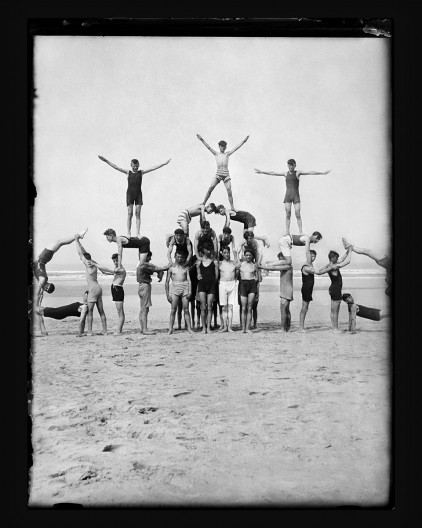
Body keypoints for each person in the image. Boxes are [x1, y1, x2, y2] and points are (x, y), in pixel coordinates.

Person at [98, 155, 171, 238]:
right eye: (134, 166)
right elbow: (116, 167)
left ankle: (138, 233)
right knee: (130, 213)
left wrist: (164, 163)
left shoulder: (141, 172)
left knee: (138, 213)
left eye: (137, 166)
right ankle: (128, 233)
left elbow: (153, 168)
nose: (135, 168)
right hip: (130, 194)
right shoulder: (128, 172)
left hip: (138, 195)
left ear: (139, 165)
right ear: (131, 165)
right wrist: (106, 160)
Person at [33, 228, 88, 335]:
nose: (45, 288)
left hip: (39, 260)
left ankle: (42, 330)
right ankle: (77, 236)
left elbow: (37, 294)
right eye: (46, 288)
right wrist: (36, 302)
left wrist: (37, 303)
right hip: (42, 259)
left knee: (38, 311)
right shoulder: (43, 280)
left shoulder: (43, 281)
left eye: (45, 289)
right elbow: (37, 293)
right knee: (59, 242)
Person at [254, 159, 330, 234]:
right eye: (289, 165)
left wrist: (323, 173)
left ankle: (300, 231)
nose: (290, 167)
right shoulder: (285, 174)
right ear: (287, 165)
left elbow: (310, 172)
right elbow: (273, 173)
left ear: (295, 165)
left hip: (296, 196)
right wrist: (261, 172)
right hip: (288, 196)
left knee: (298, 213)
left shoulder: (297, 173)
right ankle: (287, 231)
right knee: (288, 213)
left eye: (292, 165)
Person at [197, 133, 249, 210]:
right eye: (221, 147)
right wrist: (201, 139)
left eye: (224, 147)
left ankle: (232, 207)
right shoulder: (216, 154)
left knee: (229, 191)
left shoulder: (227, 154)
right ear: (219, 147)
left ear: (225, 147)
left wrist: (244, 141)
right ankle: (204, 202)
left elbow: (236, 148)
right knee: (210, 188)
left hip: (226, 175)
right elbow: (208, 147)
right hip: (218, 174)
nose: (223, 148)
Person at [74, 234, 107, 336]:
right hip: (99, 289)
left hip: (92, 289)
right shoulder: (94, 263)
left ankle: (89, 331)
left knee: (90, 312)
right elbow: (83, 252)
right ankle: (105, 331)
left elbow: (80, 253)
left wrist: (76, 241)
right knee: (101, 311)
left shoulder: (87, 263)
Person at [314, 247, 353, 331]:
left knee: (333, 310)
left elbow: (342, 259)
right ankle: (335, 329)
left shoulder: (329, 265)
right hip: (336, 290)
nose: (338, 259)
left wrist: (349, 250)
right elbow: (347, 261)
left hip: (333, 289)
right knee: (336, 311)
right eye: (336, 258)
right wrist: (350, 251)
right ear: (332, 258)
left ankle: (333, 327)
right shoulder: (333, 267)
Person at [136, 251, 170, 335]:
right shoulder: (143, 265)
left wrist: (160, 273)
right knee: (145, 309)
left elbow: (156, 268)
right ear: (146, 257)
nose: (150, 259)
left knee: (142, 308)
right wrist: (167, 267)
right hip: (145, 286)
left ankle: (142, 328)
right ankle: (144, 329)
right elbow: (156, 269)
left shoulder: (140, 264)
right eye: (149, 257)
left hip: (141, 286)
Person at [259, 252, 294, 332]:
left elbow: (274, 268)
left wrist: (261, 266)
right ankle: (287, 327)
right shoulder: (287, 266)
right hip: (287, 290)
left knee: (283, 310)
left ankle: (283, 329)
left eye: (282, 259)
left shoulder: (287, 266)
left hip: (286, 291)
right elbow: (274, 266)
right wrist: (268, 263)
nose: (280, 261)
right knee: (286, 309)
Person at [94, 254, 127, 335]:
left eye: (116, 261)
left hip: (118, 290)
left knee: (120, 312)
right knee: (119, 312)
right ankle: (119, 330)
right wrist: (95, 263)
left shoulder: (121, 270)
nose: (115, 263)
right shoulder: (116, 269)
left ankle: (119, 331)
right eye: (114, 261)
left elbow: (108, 270)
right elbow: (105, 272)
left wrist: (96, 264)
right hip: (115, 290)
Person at [165, 252, 194, 335]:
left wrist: (190, 291)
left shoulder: (185, 268)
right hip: (175, 287)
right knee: (173, 309)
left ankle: (189, 328)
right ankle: (170, 329)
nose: (179, 259)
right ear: (175, 257)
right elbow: (167, 281)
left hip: (185, 287)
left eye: (181, 257)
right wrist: (167, 294)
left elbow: (189, 280)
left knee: (186, 309)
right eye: (178, 257)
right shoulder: (171, 268)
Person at [197, 245, 219, 334]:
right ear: (203, 250)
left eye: (210, 249)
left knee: (210, 306)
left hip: (211, 285)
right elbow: (198, 275)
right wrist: (199, 276)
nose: (209, 251)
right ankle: (204, 327)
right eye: (207, 249)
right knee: (203, 306)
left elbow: (216, 276)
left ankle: (209, 327)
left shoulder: (214, 262)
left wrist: (213, 283)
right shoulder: (199, 262)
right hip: (202, 285)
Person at [237, 248, 259, 333]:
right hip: (243, 284)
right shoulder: (241, 264)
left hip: (252, 285)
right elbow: (237, 276)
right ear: (244, 256)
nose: (248, 256)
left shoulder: (254, 265)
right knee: (243, 308)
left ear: (252, 256)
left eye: (250, 255)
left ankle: (248, 328)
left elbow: (257, 277)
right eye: (246, 255)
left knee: (250, 308)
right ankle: (243, 328)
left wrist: (255, 282)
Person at [218, 246, 237, 332]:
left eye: (228, 252)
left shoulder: (233, 263)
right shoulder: (219, 263)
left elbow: (237, 272)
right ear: (221, 253)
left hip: (232, 283)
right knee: (224, 306)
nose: (226, 254)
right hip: (222, 284)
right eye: (224, 252)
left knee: (230, 306)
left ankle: (230, 326)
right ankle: (225, 326)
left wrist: (235, 254)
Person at [299, 249, 317, 332]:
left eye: (314, 256)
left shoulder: (310, 265)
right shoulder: (306, 266)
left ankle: (302, 326)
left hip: (309, 289)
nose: (313, 258)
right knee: (304, 308)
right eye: (311, 256)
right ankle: (301, 327)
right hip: (306, 289)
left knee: (306, 308)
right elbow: (313, 271)